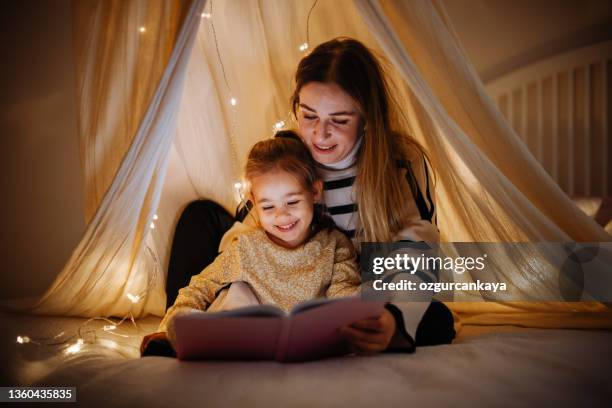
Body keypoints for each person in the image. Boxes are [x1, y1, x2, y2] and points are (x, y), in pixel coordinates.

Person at [143, 37, 455, 357]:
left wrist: (392, 318)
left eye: (340, 120)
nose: (320, 134)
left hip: (346, 279)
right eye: (309, 115)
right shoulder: (292, 151)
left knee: (435, 320)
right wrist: (254, 270)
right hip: (276, 263)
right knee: (201, 216)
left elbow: (416, 243)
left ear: (367, 119)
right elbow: (252, 230)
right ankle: (177, 329)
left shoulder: (399, 161)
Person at [142, 132, 362, 356]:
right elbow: (201, 286)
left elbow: (344, 290)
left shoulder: (334, 245)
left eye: (292, 202)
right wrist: (175, 322)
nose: (282, 215)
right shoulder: (246, 248)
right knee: (233, 297)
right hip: (249, 341)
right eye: (268, 207)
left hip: (307, 341)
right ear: (254, 202)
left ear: (315, 191)